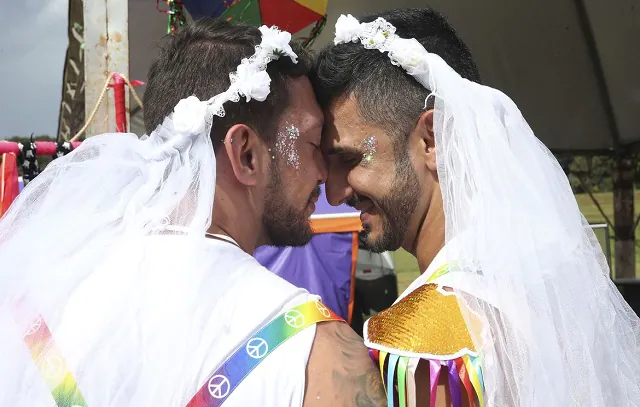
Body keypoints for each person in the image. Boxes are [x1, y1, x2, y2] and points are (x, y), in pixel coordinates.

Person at [0, 19, 385, 407]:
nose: (325, 176)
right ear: (246, 155)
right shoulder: (319, 357)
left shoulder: (45, 311)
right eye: (313, 144)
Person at [312, 8, 640, 407]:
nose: (334, 194)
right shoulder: (553, 293)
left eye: (348, 159)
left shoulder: (424, 338)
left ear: (431, 140)